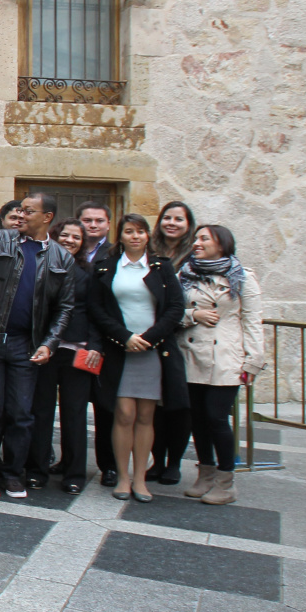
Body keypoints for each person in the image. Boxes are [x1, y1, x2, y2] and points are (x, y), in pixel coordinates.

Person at [0, 192, 74, 499]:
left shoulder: (61, 258)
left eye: (28, 211)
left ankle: (13, 474)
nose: (20, 216)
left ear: (47, 218)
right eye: (20, 211)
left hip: (26, 346)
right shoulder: (0, 241)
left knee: (21, 414)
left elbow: (65, 307)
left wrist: (50, 343)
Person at [88, 213, 187, 502]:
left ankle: (141, 479)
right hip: (120, 350)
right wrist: (125, 337)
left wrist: (149, 338)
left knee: (146, 416)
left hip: (153, 351)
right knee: (123, 414)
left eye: (140, 232)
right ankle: (123, 477)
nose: (135, 236)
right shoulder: (106, 268)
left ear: (148, 236)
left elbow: (175, 308)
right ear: (121, 236)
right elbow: (97, 309)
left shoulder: (162, 268)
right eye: (129, 231)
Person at [178, 224, 263, 505]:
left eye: (204, 239)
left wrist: (252, 362)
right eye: (197, 238)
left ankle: (226, 482)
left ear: (222, 244)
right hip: (192, 355)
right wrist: (194, 314)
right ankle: (205, 474)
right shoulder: (185, 274)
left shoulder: (243, 278)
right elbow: (172, 311)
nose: (197, 243)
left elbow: (252, 322)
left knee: (216, 418)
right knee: (198, 420)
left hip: (226, 357)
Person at [43, 217, 106, 494]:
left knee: (74, 413)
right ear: (55, 236)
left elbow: (96, 312)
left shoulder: (89, 273)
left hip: (78, 350)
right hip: (45, 348)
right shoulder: (40, 266)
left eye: (76, 238)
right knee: (41, 410)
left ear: (82, 244)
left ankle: (74, 472)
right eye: (65, 235)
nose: (69, 240)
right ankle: (38, 467)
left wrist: (95, 345)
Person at [146, 200, 199, 484]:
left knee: (179, 404)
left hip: (183, 340)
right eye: (167, 217)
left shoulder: (195, 258)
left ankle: (174, 463)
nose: (172, 223)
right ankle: (157, 460)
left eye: (179, 219)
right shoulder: (149, 252)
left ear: (188, 225)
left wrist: (189, 315)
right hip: (152, 336)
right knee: (154, 404)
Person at [78, 201, 112, 266]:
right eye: (87, 220)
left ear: (108, 225)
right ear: (77, 223)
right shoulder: (66, 251)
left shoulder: (116, 252)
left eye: (100, 221)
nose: (93, 225)